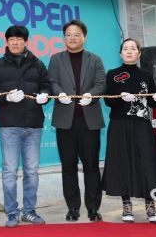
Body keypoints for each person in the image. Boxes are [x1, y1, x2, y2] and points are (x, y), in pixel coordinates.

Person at [0, 25, 52, 228]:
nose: (15, 42)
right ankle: (12, 213)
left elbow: (47, 86)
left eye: (19, 39)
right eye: (11, 39)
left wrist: (45, 96)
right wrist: (5, 97)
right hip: (9, 125)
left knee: (32, 171)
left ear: (26, 41)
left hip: (33, 124)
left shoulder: (38, 64)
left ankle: (29, 211)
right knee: (9, 171)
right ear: (6, 42)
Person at [102, 38, 156, 224]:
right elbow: (108, 100)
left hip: (142, 124)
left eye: (133, 48)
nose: (129, 51)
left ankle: (150, 206)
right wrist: (120, 97)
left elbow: (152, 102)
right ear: (120, 53)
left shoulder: (146, 75)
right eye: (125, 48)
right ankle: (126, 205)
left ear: (139, 53)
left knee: (147, 163)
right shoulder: (112, 74)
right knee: (121, 163)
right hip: (119, 125)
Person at [48, 20, 106, 222]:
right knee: (68, 167)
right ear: (64, 38)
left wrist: (92, 95)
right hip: (65, 122)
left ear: (84, 37)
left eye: (76, 34)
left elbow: (101, 84)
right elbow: (52, 81)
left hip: (89, 121)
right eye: (69, 34)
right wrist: (59, 93)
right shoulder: (56, 59)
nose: (72, 38)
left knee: (91, 166)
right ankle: (73, 208)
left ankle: (93, 208)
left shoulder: (95, 59)